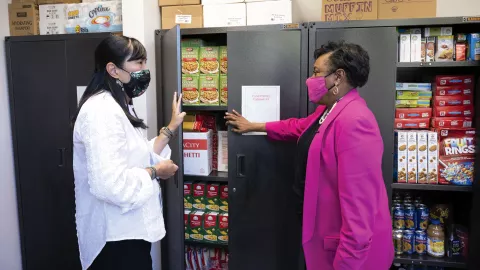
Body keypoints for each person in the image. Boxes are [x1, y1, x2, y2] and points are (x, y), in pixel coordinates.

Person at [225, 41, 394, 270]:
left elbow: (359, 212)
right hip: (318, 235)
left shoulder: (355, 121)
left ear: (338, 77)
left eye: (316, 72)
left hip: (342, 253)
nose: (310, 79)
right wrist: (254, 125)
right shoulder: (330, 110)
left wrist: (347, 265)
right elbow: (298, 127)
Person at [72, 36, 185, 270]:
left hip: (127, 233)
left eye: (144, 64)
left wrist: (171, 127)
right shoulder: (101, 111)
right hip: (114, 239)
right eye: (138, 64)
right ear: (113, 69)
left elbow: (138, 154)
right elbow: (108, 184)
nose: (144, 71)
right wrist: (155, 171)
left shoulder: (118, 104)